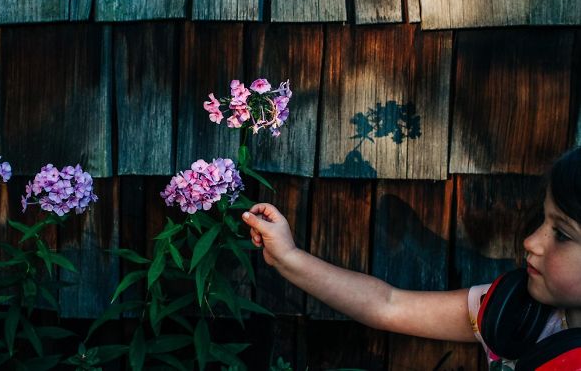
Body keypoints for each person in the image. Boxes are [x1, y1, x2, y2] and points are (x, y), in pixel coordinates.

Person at [241, 147, 581, 369]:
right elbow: (388, 304)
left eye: (563, 234)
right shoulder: (517, 312)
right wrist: (290, 258)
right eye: (544, 220)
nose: (531, 241)